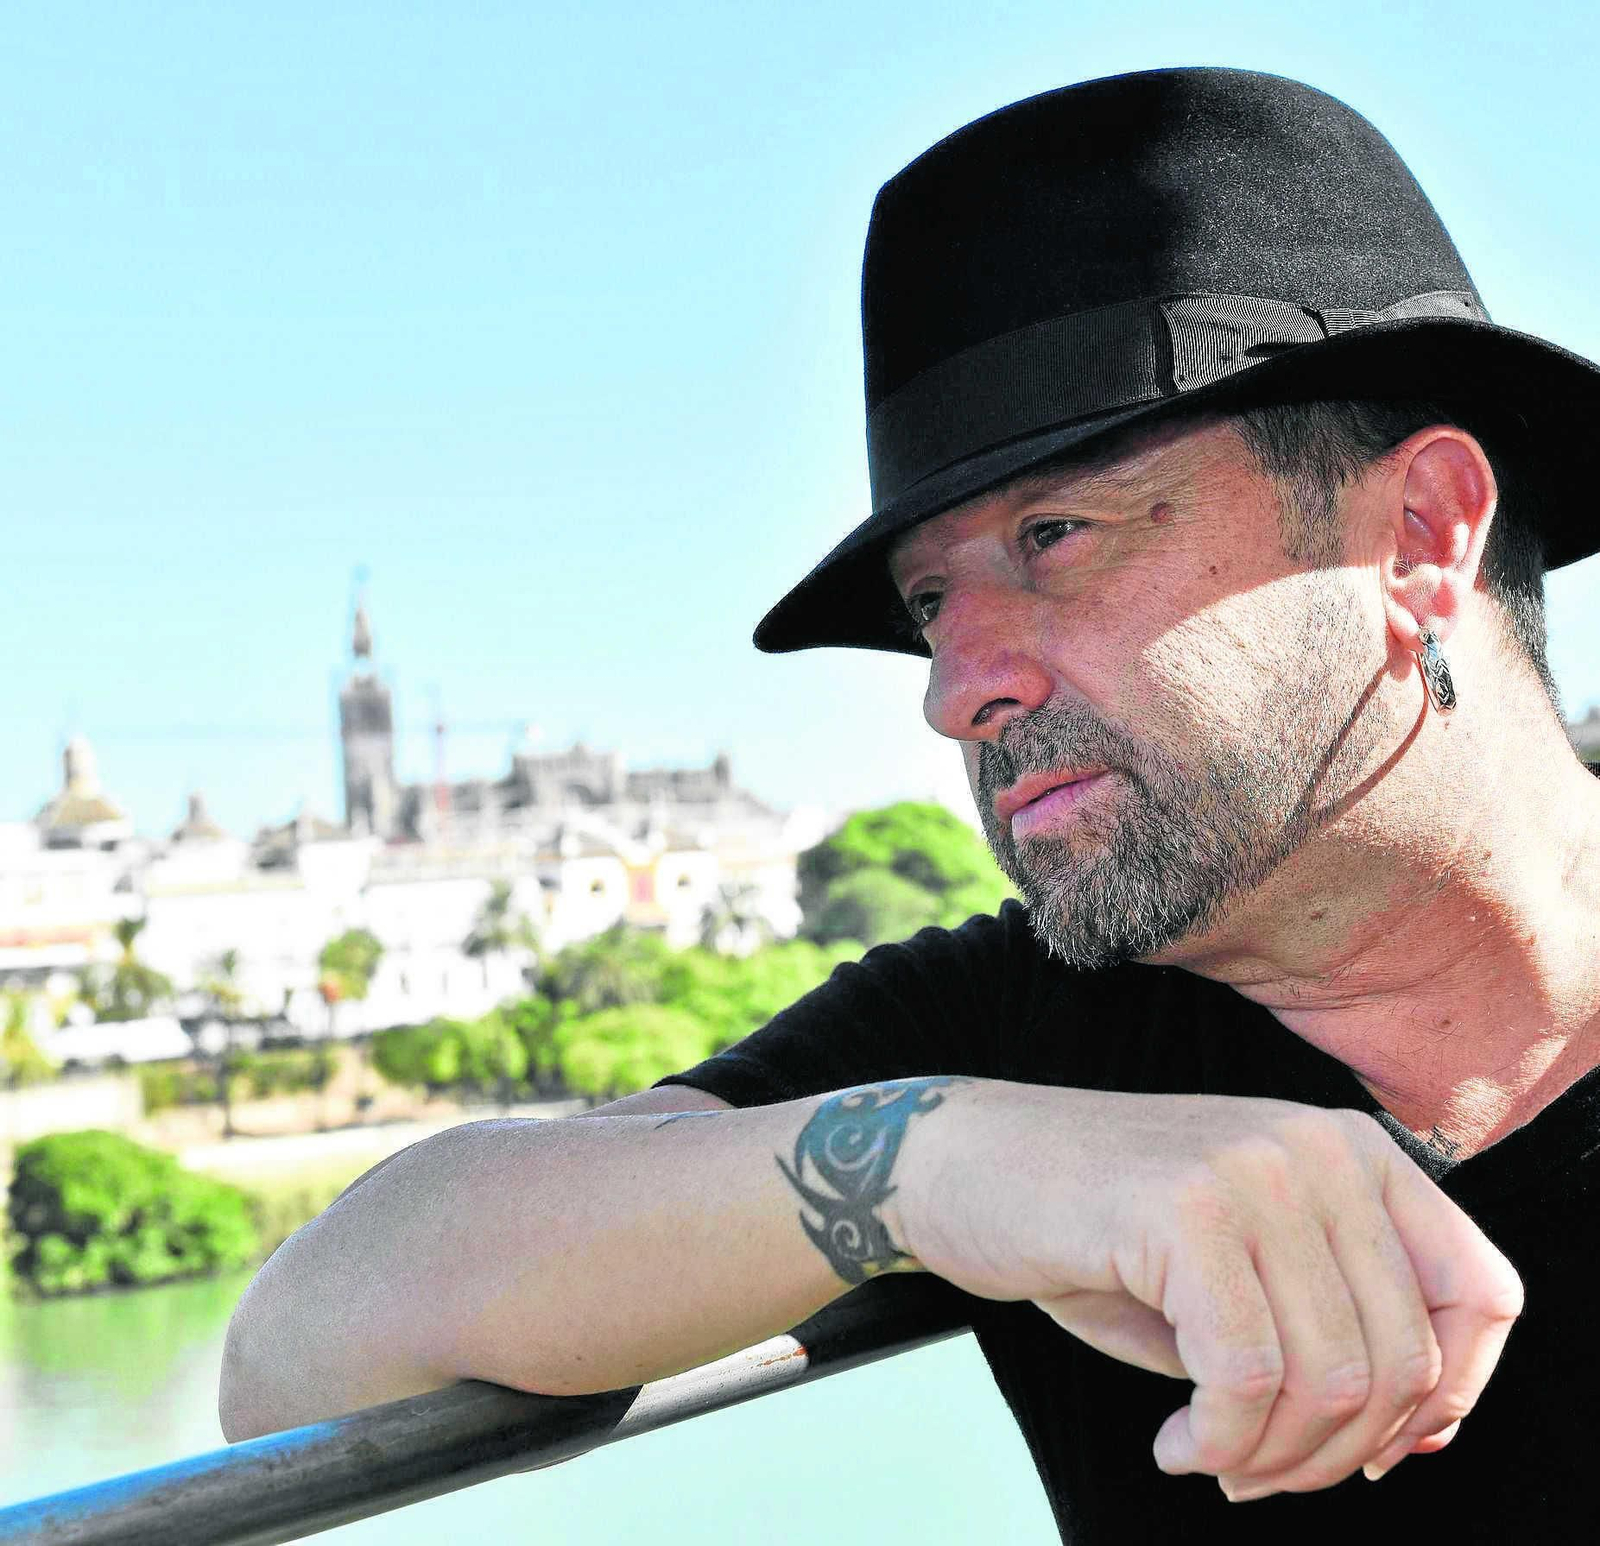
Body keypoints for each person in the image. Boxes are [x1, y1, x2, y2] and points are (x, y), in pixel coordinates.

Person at [219, 68, 1600, 1537]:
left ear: (1422, 534)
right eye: (932, 600)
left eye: (1056, 532)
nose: (956, 690)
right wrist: (945, 1166)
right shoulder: (1024, 1050)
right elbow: (298, 1356)